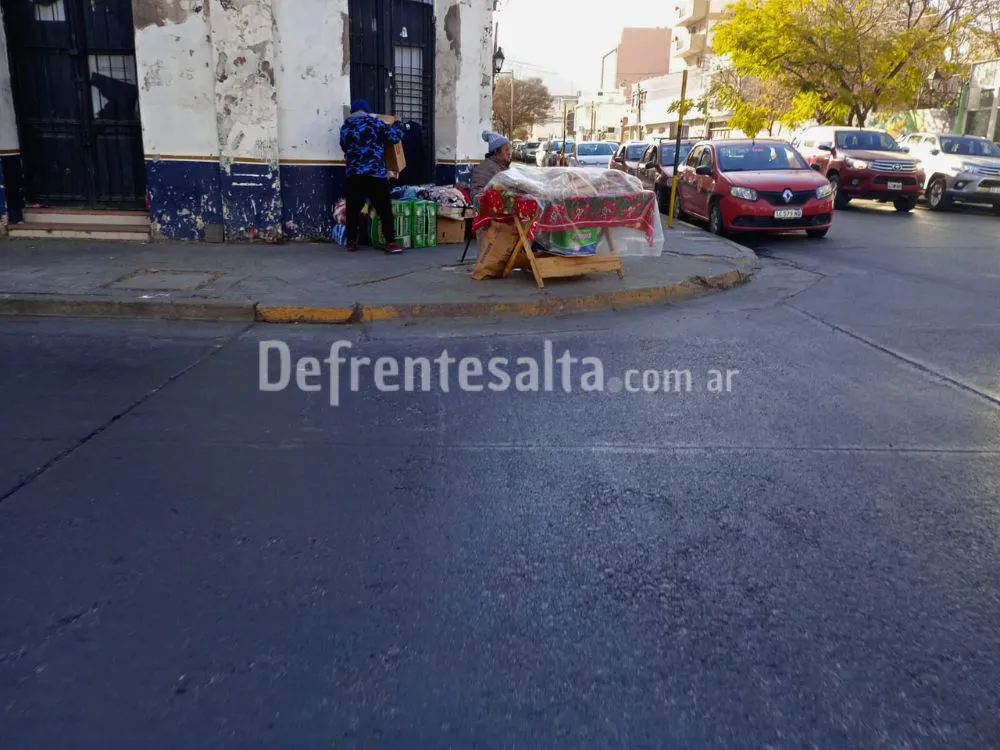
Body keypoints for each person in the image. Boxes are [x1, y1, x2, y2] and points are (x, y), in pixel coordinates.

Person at [339, 99, 405, 253]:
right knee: (384, 208)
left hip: (354, 174)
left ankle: (351, 241)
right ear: (367, 111)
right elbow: (395, 137)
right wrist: (398, 124)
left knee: (353, 208)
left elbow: (344, 146)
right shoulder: (375, 123)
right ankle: (390, 242)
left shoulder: (345, 127)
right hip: (375, 174)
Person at [470, 131, 513, 203]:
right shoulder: (484, 168)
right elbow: (476, 195)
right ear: (496, 152)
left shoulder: (503, 167)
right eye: (506, 149)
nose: (509, 153)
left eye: (510, 149)